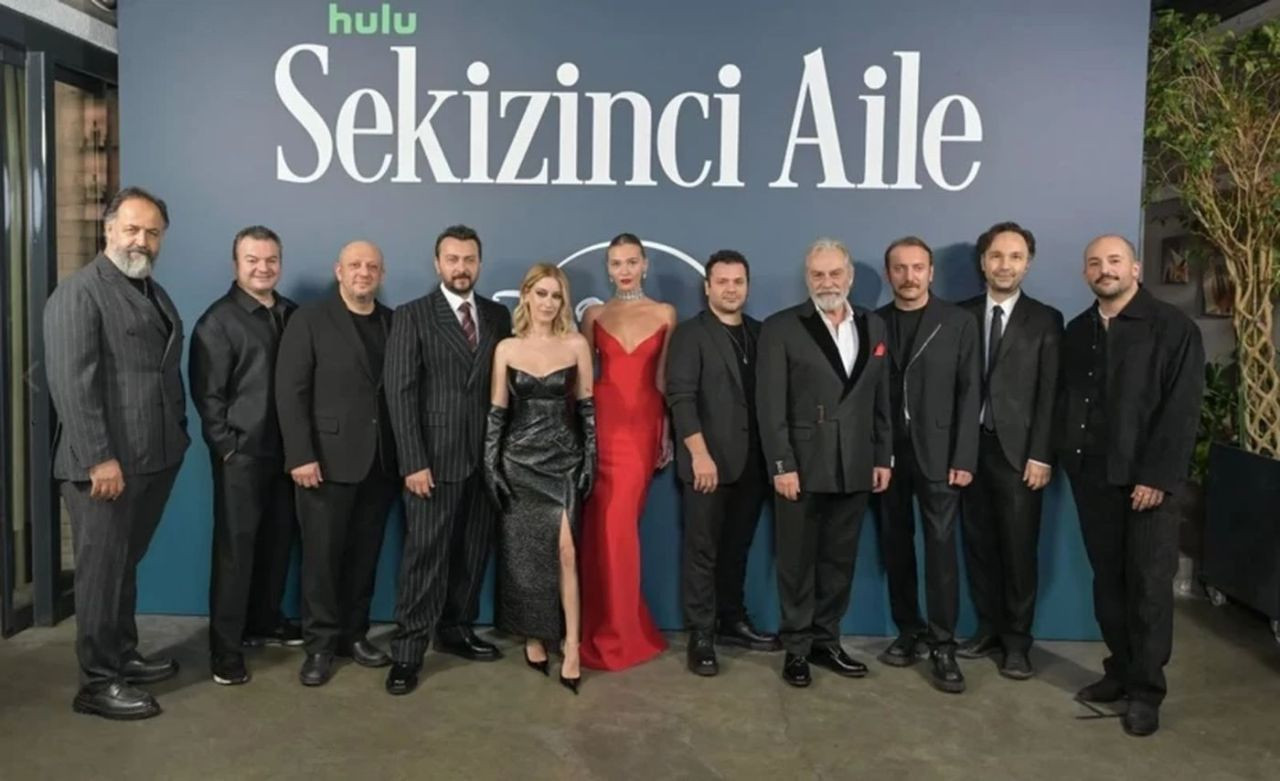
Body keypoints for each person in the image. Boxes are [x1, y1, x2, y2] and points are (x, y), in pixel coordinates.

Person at [44, 186, 189, 720]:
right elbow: (72, 384)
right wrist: (98, 458)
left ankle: (123, 655)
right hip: (104, 466)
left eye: (152, 232)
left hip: (152, 457)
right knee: (101, 574)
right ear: (108, 230)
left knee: (124, 566)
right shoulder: (79, 293)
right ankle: (98, 682)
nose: (141, 240)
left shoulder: (151, 289)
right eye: (131, 229)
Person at [1058, 235, 1204, 737]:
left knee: (1148, 587)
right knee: (1109, 583)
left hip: (1147, 485)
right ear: (1086, 274)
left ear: (1135, 269)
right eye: (1095, 263)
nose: (1105, 269)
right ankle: (1120, 671)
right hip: (1092, 479)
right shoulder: (1078, 330)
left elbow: (1182, 409)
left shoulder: (1173, 328)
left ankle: (1146, 691)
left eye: (1115, 260)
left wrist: (1156, 477)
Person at [382, 225, 513, 696]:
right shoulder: (413, 315)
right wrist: (412, 462)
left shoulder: (498, 315)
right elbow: (400, 392)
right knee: (425, 557)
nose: (461, 267)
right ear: (437, 263)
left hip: (485, 459)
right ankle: (407, 651)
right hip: (433, 461)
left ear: (479, 263)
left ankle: (456, 629)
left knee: (472, 551)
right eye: (452, 259)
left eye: (469, 259)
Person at [756, 239, 893, 687]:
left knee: (839, 561)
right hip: (801, 465)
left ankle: (825, 641)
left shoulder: (874, 325)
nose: (827, 282)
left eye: (835, 273)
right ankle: (796, 648)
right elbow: (770, 405)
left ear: (849, 276)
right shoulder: (781, 327)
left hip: (856, 464)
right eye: (818, 274)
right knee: (796, 562)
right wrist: (782, 465)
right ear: (807, 279)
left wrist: (882, 456)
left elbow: (881, 399)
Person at [276, 240, 399, 687]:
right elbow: (290, 391)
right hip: (323, 463)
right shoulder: (309, 319)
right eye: (355, 265)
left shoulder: (393, 322)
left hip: (379, 464)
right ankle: (320, 646)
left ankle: (354, 635)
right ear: (339, 271)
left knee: (364, 558)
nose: (363, 272)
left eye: (372, 266)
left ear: (381, 274)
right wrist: (301, 455)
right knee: (321, 561)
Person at [190, 225, 301, 686]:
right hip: (243, 456)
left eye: (271, 259)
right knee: (236, 554)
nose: (263, 268)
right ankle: (225, 650)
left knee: (277, 544)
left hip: (288, 456)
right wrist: (229, 451)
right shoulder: (216, 322)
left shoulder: (292, 314)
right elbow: (208, 398)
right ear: (236, 264)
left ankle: (263, 621)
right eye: (253, 260)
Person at [956, 222, 1063, 679]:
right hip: (969, 451)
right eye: (997, 256)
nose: (1005, 265)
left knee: (1019, 551)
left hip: (1020, 455)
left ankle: (1017, 642)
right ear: (983, 262)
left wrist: (1042, 454)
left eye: (1015, 256)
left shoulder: (1046, 319)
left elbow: (1051, 393)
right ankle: (988, 629)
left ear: (1028, 264)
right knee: (978, 546)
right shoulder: (959, 315)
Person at [666, 249, 780, 678]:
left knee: (738, 548)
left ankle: (732, 619)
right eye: (722, 282)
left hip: (753, 463)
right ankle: (701, 634)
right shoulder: (690, 334)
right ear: (707, 287)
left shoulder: (761, 333)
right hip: (707, 464)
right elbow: (681, 398)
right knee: (702, 551)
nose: (731, 289)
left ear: (747, 286)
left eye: (738, 282)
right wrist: (699, 455)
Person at [874, 236, 980, 694]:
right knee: (895, 546)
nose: (909, 276)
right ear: (889, 274)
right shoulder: (873, 323)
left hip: (940, 454)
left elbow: (971, 392)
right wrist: (875, 454)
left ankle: (943, 644)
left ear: (931, 272)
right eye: (900, 268)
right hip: (888, 458)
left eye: (918, 267)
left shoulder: (958, 322)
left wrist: (964, 455)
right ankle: (909, 630)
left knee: (940, 551)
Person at [483, 264, 596, 694]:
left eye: (556, 296)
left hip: (563, 460)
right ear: (526, 295)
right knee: (525, 555)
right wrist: (490, 466)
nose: (548, 303)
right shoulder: (506, 348)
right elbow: (497, 412)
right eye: (542, 293)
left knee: (566, 552)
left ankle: (572, 644)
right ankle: (533, 635)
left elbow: (587, 409)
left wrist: (591, 459)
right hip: (518, 460)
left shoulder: (576, 344)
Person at [578, 232, 677, 671]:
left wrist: (666, 431)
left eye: (631, 262)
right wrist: (580, 434)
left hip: (641, 428)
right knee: (599, 529)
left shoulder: (665, 313)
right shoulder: (595, 315)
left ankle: (623, 632)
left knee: (620, 528)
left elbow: (663, 379)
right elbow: (584, 379)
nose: (624, 270)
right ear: (608, 268)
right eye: (616, 263)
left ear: (645, 264)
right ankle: (601, 626)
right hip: (601, 425)